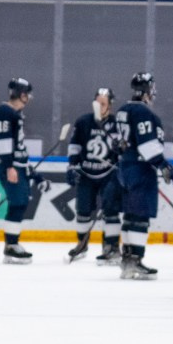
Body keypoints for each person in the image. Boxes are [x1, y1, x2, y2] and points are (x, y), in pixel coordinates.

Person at [112, 74, 173, 281]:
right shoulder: (143, 112)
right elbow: (147, 145)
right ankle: (135, 259)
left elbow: (115, 141)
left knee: (130, 214)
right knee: (140, 216)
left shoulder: (122, 110)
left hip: (125, 168)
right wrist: (163, 165)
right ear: (148, 91)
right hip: (141, 168)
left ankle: (127, 259)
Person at [63, 88, 122, 262]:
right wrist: (72, 166)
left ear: (110, 105)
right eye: (97, 102)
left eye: (103, 103)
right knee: (82, 211)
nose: (100, 106)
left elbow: (122, 148)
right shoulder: (83, 122)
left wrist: (120, 152)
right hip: (86, 174)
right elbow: (75, 146)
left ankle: (111, 247)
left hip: (109, 174)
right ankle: (82, 244)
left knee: (111, 211)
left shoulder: (117, 123)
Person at [0, 76, 37, 262]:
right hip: (10, 167)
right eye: (27, 95)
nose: (29, 98)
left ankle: (11, 245)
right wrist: (9, 167)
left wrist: (30, 170)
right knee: (18, 203)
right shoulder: (5, 113)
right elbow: (2, 142)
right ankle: (11, 246)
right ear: (21, 94)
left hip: (16, 166)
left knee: (20, 202)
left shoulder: (12, 113)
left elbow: (17, 146)